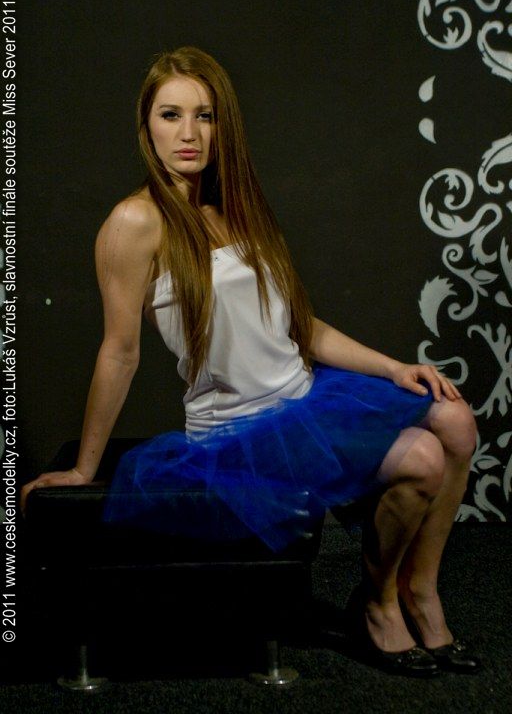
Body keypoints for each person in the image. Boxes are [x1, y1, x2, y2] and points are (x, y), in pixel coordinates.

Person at [21, 46, 480, 677]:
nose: (188, 133)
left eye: (204, 115)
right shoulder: (135, 222)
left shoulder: (235, 207)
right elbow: (120, 352)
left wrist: (393, 368)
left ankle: (419, 590)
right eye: (170, 115)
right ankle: (378, 604)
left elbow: (298, 324)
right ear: (146, 126)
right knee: (423, 456)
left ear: (223, 125)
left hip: (306, 398)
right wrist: (84, 469)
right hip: (243, 431)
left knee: (456, 421)